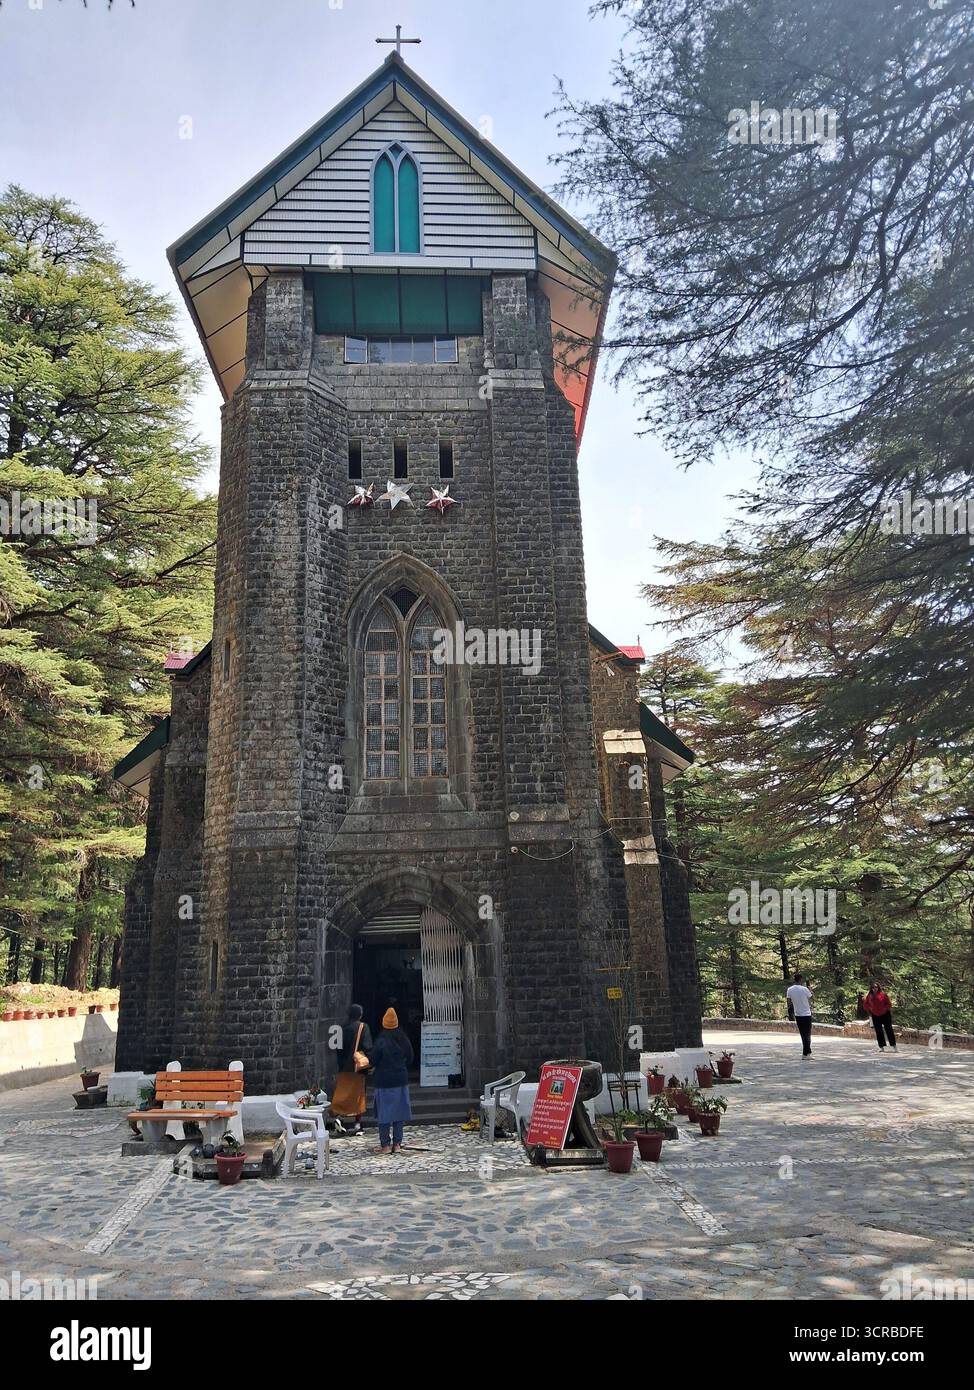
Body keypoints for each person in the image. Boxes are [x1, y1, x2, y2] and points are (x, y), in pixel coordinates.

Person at [366, 1007, 414, 1154]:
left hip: (384, 1080)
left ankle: (385, 1145)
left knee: (384, 1113)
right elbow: (411, 1057)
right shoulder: (403, 1039)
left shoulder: (381, 1041)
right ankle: (397, 1144)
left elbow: (372, 1060)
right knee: (399, 1113)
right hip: (400, 1079)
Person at [330, 1003, 372, 1135]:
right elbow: (367, 1046)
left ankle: (338, 1118)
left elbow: (335, 1047)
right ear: (360, 1015)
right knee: (359, 1096)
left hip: (343, 1067)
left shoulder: (339, 1028)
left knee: (342, 1094)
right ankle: (357, 1124)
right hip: (357, 1068)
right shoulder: (363, 1027)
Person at [862, 982, 897, 1051]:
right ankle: (881, 1047)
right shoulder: (869, 996)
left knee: (889, 1030)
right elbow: (865, 1005)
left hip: (885, 1014)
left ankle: (894, 1046)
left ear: (878, 988)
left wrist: (884, 1009)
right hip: (875, 1015)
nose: (875, 989)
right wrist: (871, 1009)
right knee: (879, 1031)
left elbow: (889, 1004)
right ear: (871, 989)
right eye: (873, 987)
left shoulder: (883, 995)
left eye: (876, 987)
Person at [786, 972, 814, 1059]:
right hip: (807, 1014)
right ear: (801, 979)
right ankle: (806, 1054)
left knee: (803, 1034)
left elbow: (788, 1002)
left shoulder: (789, 990)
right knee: (807, 1034)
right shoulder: (805, 989)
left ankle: (807, 1052)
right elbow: (812, 998)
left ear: (794, 979)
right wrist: (811, 990)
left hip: (798, 1014)